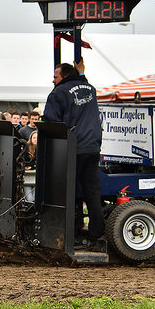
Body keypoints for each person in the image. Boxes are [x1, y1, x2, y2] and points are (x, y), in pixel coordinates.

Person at [43, 58, 104, 243]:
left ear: (63, 76)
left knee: (66, 193)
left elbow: (50, 121)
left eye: (55, 76)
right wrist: (82, 72)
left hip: (73, 148)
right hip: (93, 147)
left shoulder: (58, 92)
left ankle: (68, 235)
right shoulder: (91, 88)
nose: (53, 80)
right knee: (92, 193)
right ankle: (96, 234)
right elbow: (81, 88)